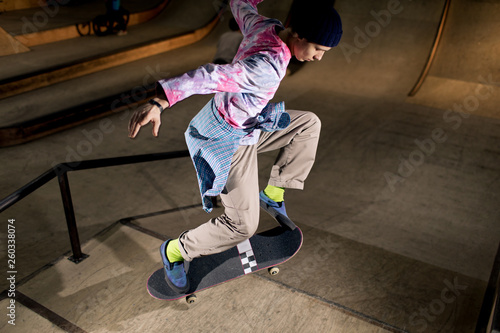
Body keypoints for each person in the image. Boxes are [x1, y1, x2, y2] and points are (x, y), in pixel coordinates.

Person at [128, 0, 342, 293]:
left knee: (307, 124)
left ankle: (273, 193)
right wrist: (160, 101)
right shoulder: (265, 67)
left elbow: (241, 5)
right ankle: (176, 251)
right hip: (227, 137)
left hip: (251, 124)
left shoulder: (266, 26)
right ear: (301, 36)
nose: (318, 58)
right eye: (319, 50)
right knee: (242, 226)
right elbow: (210, 77)